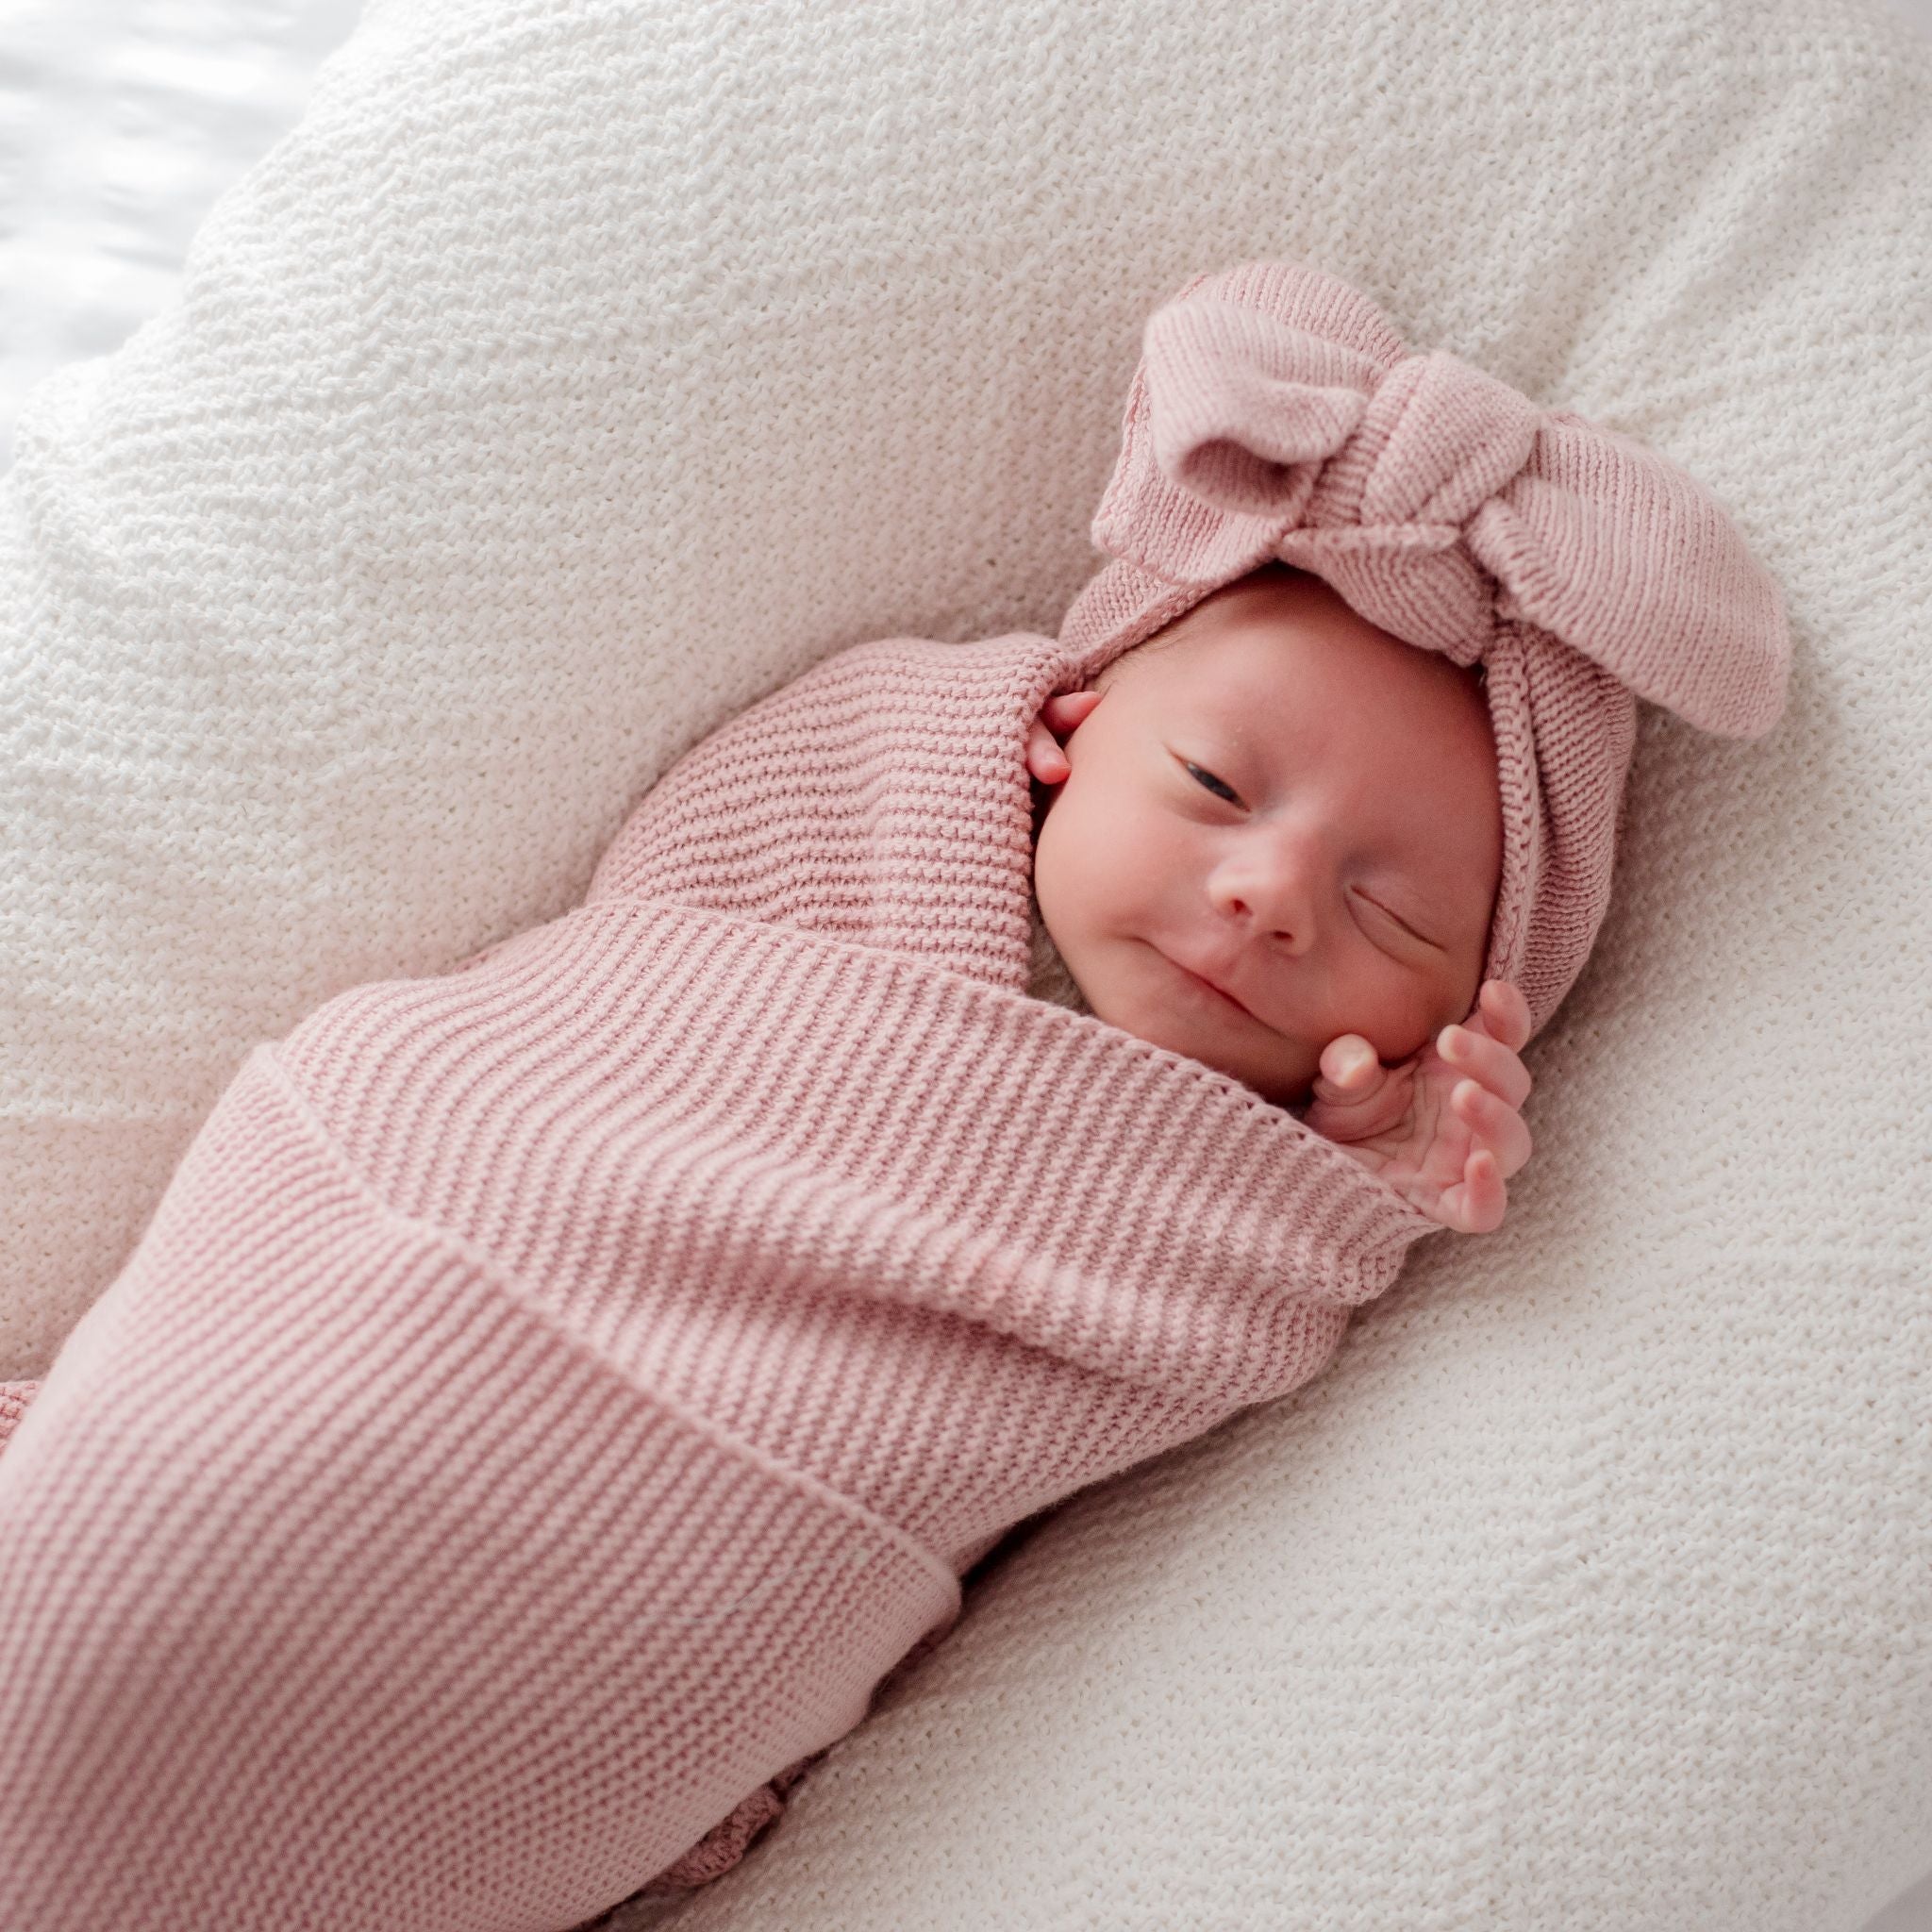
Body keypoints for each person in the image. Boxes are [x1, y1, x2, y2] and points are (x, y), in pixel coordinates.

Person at [0, 258, 1790, 1927]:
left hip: (658, 1598)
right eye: (1212, 783)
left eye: (1389, 914)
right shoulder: (863, 806)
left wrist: (1374, 1176)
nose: (1269, 894)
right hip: (394, 1287)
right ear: (1065, 729)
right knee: (135, 1588)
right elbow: (625, 977)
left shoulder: (1244, 1204)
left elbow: (1183, 1325)